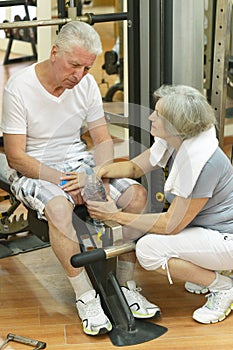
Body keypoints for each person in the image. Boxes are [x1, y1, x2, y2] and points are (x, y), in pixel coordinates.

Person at [0, 21, 159, 336]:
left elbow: (101, 140)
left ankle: (126, 285)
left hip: (79, 160)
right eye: (75, 65)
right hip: (36, 165)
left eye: (87, 68)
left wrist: (94, 176)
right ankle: (85, 296)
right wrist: (64, 180)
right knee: (60, 209)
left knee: (137, 196)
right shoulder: (19, 87)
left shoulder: (85, 85)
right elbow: (16, 156)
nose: (80, 74)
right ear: (54, 52)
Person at [86, 84, 233, 325]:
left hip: (226, 238)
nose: (150, 117)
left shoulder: (203, 163)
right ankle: (212, 270)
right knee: (157, 239)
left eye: (158, 114)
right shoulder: (177, 142)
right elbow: (135, 167)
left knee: (148, 249)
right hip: (209, 229)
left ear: (176, 124)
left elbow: (170, 225)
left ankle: (223, 287)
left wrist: (116, 215)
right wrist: (101, 170)